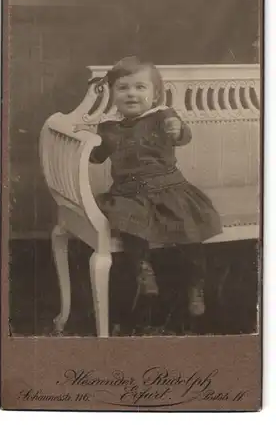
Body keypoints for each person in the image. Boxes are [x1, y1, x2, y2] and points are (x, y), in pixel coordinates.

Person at [88, 56, 222, 319]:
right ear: (112, 94)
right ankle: (143, 271)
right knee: (128, 223)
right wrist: (85, 141)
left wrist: (177, 129)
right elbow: (96, 156)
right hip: (129, 193)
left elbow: (182, 136)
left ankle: (196, 284)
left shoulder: (163, 116)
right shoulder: (108, 128)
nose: (131, 94)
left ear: (155, 93)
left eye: (140, 87)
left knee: (190, 231)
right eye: (123, 88)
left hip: (168, 188)